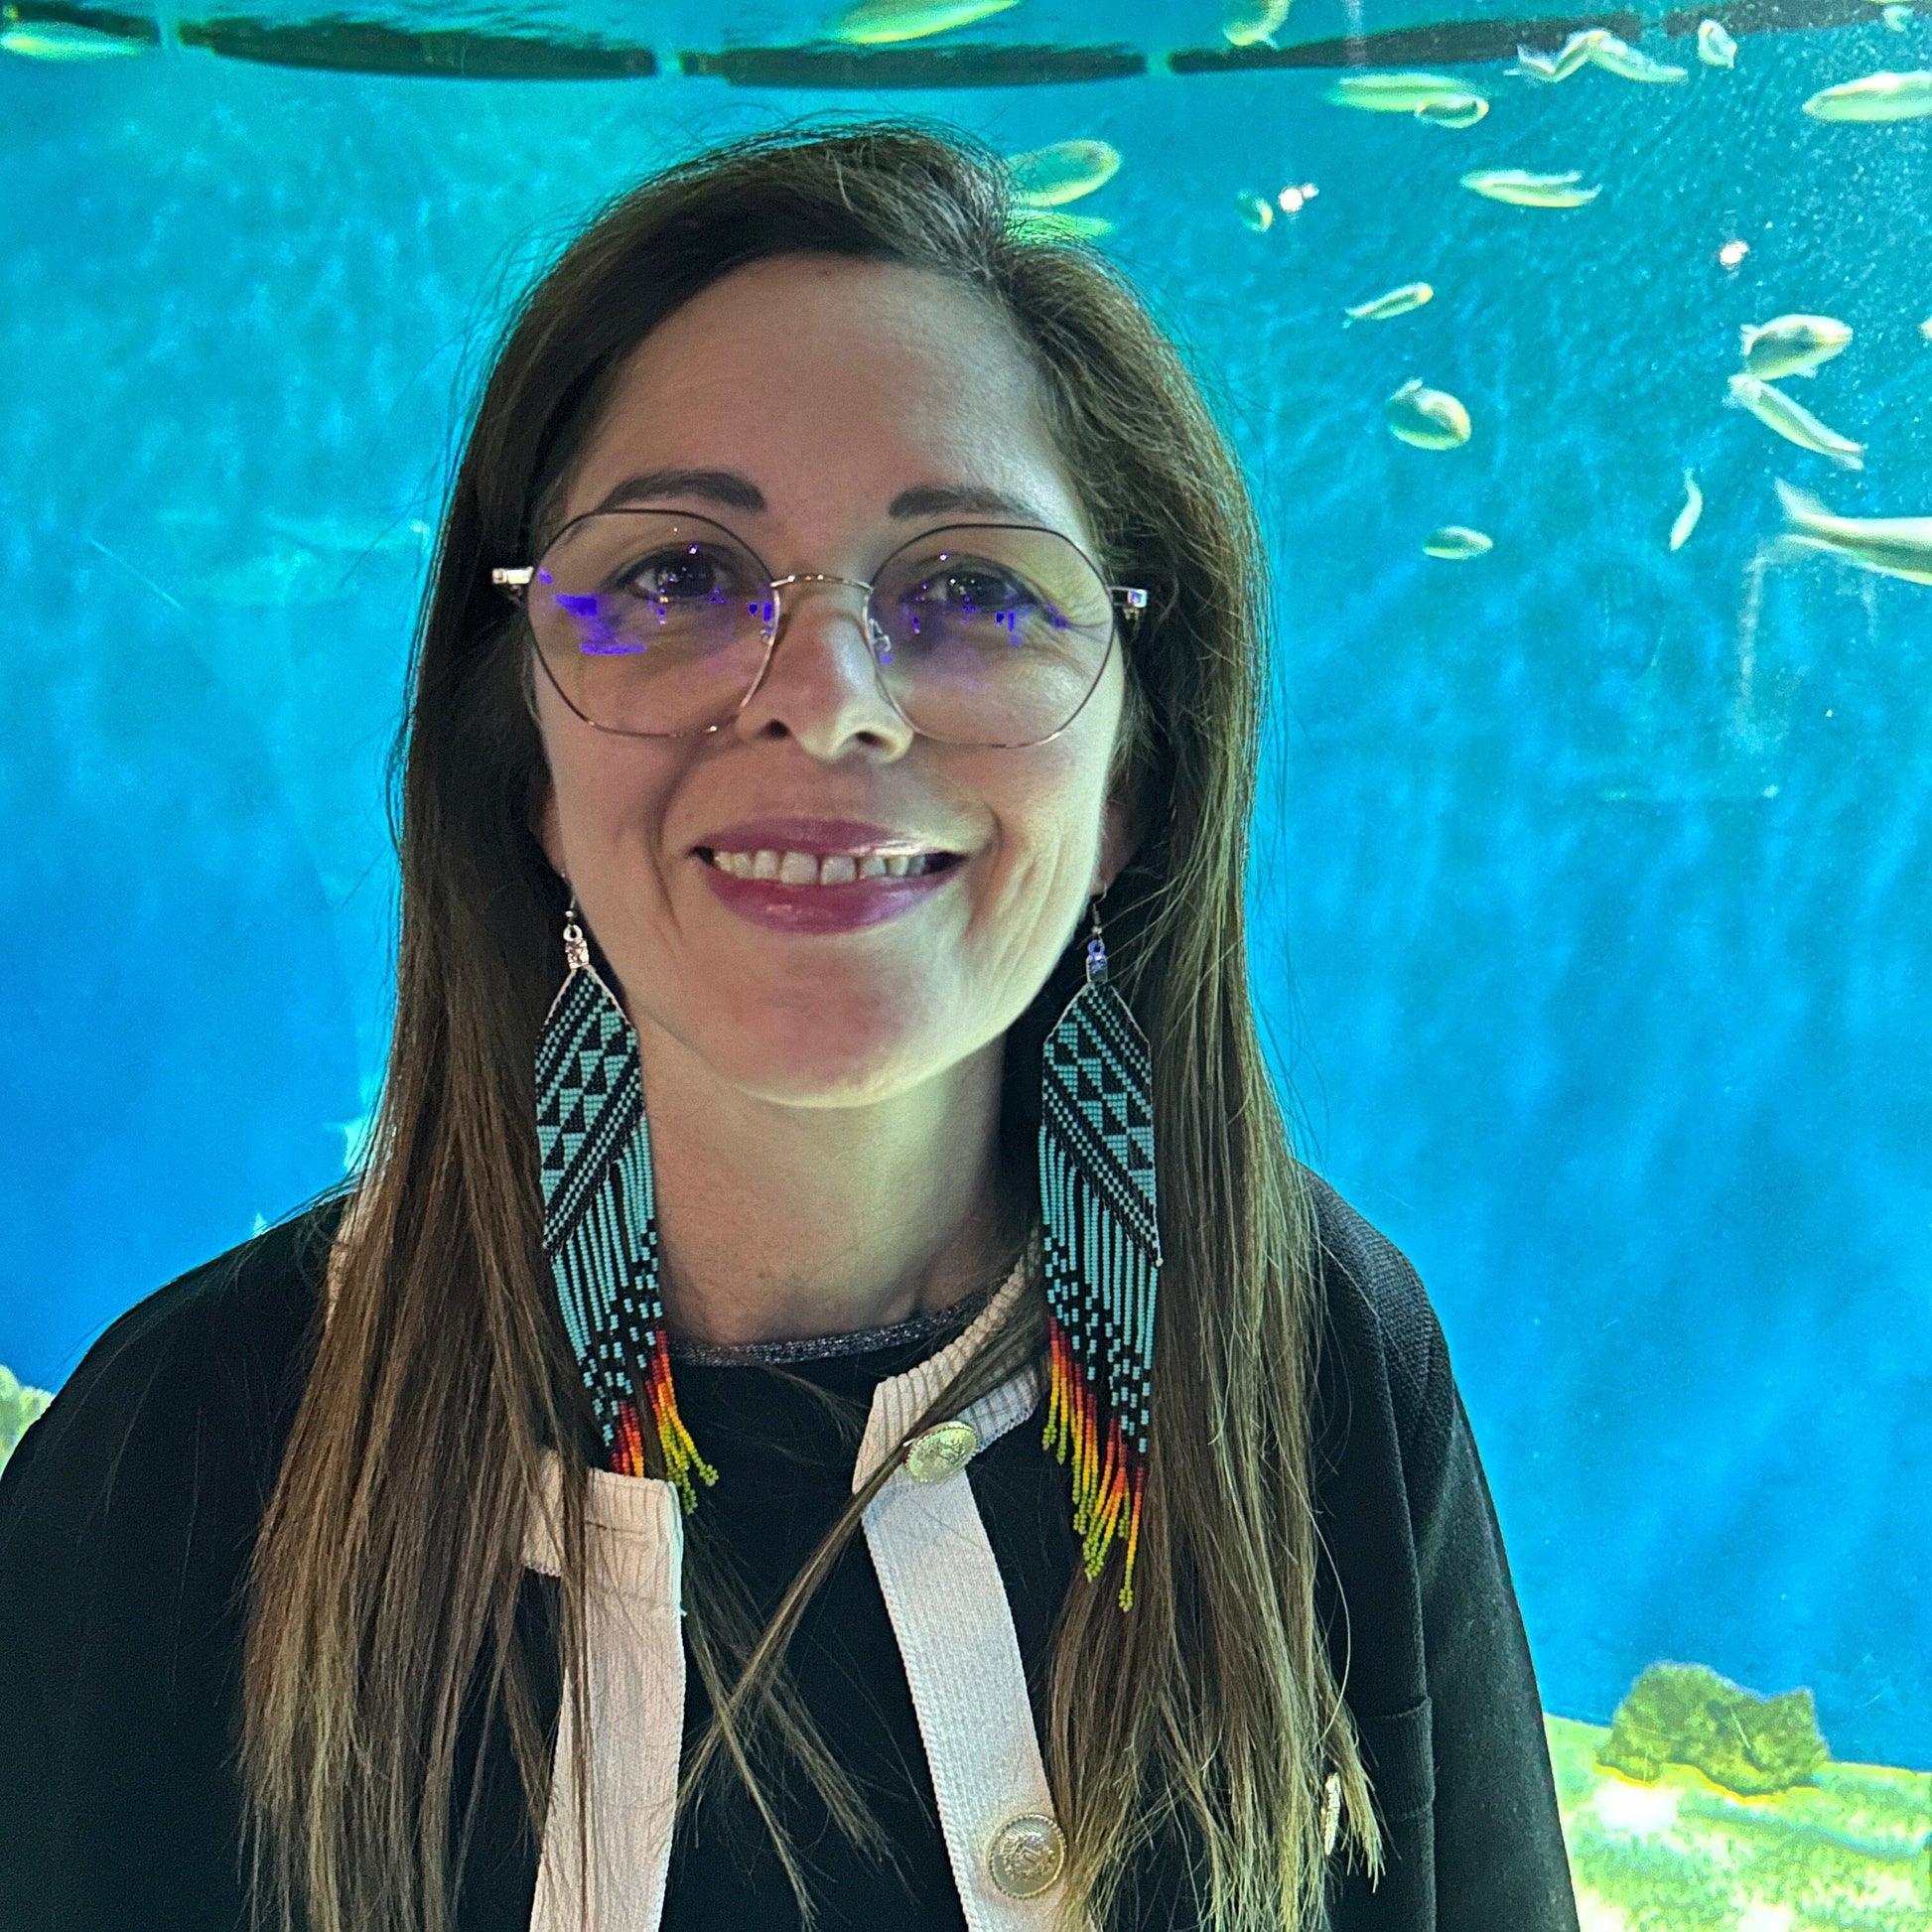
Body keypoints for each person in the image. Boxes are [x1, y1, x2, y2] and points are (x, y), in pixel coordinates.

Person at [0, 123, 1579, 1932]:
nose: (824, 700)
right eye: (676, 576)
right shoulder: (188, 1450)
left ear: (1137, 770)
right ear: (516, 746)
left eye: (975, 589)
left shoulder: (1314, 1362)